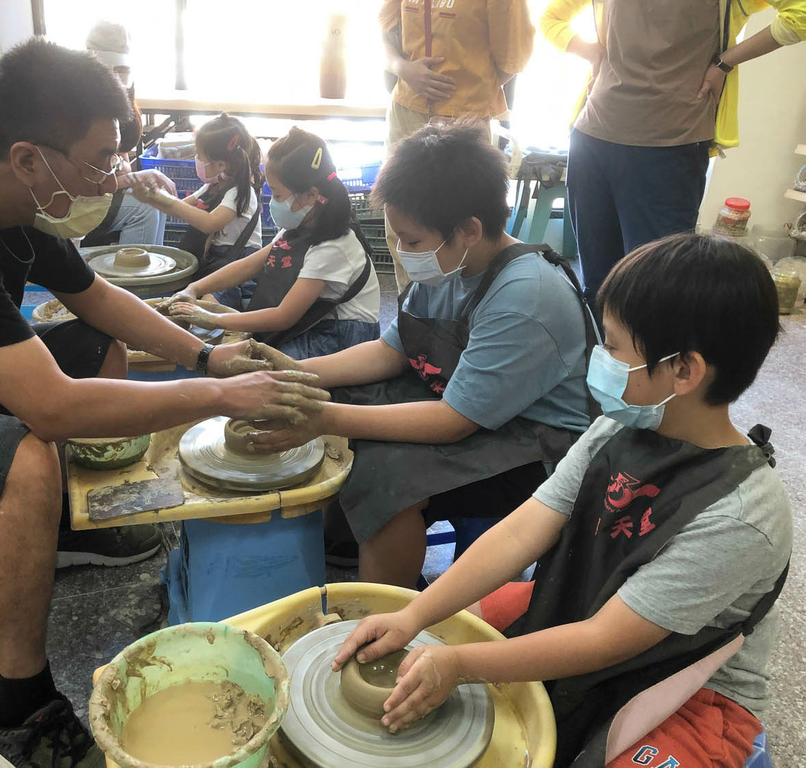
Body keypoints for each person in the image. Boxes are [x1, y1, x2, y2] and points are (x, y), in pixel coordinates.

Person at [0, 39, 328, 768]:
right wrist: (221, 395)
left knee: (91, 346)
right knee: (22, 462)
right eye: (100, 159)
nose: (111, 177)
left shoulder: (7, 195)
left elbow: (97, 297)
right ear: (28, 157)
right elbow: (54, 410)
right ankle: (19, 711)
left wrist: (205, 356)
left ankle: (64, 530)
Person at [332, 233, 790, 768]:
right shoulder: (615, 430)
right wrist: (412, 614)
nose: (600, 357)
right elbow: (520, 531)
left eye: (613, 347)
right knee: (443, 626)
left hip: (689, 684)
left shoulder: (740, 517)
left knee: (467, 665)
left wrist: (460, 666)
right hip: (586, 596)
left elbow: (605, 640)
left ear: (683, 371)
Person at [250, 123, 594, 587]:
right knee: (334, 398)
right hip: (465, 401)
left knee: (388, 474)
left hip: (540, 443)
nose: (402, 251)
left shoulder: (526, 296)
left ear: (469, 229)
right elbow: (390, 351)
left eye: (411, 241)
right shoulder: (450, 265)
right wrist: (295, 373)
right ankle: (348, 544)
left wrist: (323, 417)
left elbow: (453, 422)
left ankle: (388, 608)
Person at [541, 0, 806, 313]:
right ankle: (603, 346)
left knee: (655, 287)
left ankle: (637, 347)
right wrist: (591, 52)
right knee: (602, 286)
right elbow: (550, 20)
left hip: (668, 147)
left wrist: (725, 62)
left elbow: (800, 14)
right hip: (596, 139)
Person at [156, 128, 382, 361]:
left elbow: (284, 317)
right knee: (238, 350)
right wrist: (194, 289)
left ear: (311, 195)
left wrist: (214, 319)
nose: (273, 202)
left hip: (341, 333)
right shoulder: (302, 223)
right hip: (312, 319)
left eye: (277, 195)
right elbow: (248, 265)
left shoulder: (332, 247)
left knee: (258, 367)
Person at [379, 0, 535, 291]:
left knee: (462, 230)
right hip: (406, 110)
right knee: (403, 225)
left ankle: (466, 310)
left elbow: (512, 60)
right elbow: (386, 34)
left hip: (465, 117)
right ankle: (409, 307)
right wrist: (404, 69)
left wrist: (464, 96)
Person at [134, 113, 264, 308]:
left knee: (205, 306)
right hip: (214, 261)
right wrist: (152, 197)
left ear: (220, 164)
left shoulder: (242, 193)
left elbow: (210, 223)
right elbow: (179, 209)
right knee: (174, 296)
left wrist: (167, 200)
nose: (197, 159)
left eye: (200, 155)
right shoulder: (215, 185)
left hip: (238, 269)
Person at [82, 20, 169, 248]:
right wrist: (135, 176)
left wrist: (130, 173)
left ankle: (155, 267)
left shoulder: (121, 102)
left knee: (159, 200)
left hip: (105, 187)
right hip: (81, 197)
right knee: (145, 209)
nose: (118, 76)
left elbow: (123, 163)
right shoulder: (81, 107)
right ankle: (133, 270)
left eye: (123, 70)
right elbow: (93, 182)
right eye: (113, 70)